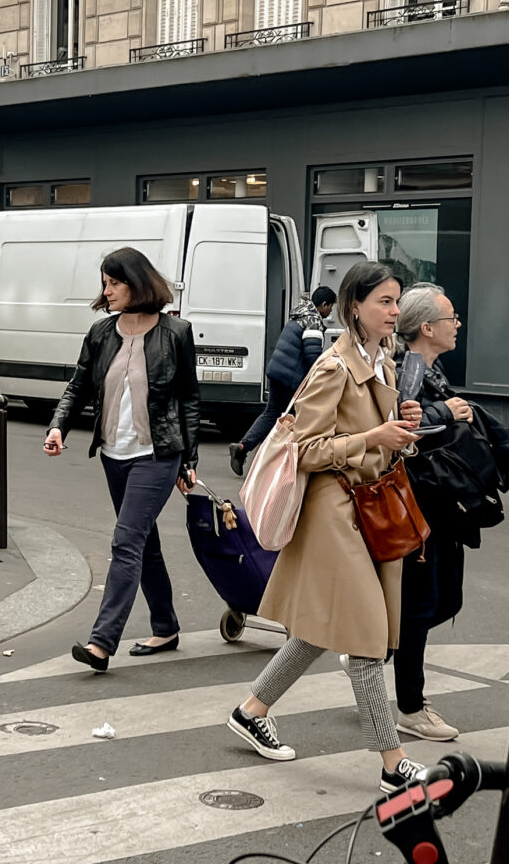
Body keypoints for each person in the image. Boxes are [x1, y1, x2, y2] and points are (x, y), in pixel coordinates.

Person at [226, 261, 429, 794]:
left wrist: (400, 427)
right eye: (385, 300)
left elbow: (375, 433)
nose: (395, 310)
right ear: (354, 304)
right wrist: (372, 439)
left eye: (397, 300)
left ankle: (251, 711)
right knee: (363, 633)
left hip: (364, 506)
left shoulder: (382, 359)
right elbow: (305, 447)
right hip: (331, 509)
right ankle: (393, 764)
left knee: (321, 627)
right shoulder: (333, 366)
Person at [44, 247, 200, 670]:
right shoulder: (100, 333)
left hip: (157, 453)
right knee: (144, 542)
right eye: (105, 284)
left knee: (126, 541)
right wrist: (58, 425)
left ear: (137, 283)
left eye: (114, 283)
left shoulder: (176, 332)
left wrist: (188, 460)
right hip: (114, 454)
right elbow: (77, 387)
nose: (107, 291)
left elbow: (188, 399)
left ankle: (101, 643)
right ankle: (166, 626)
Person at [391, 283, 470, 742]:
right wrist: (450, 411)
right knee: (422, 603)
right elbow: (405, 425)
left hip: (441, 500)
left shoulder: (429, 368)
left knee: (446, 600)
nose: (456, 325)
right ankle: (411, 706)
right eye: (451, 318)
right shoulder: (410, 370)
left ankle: (377, 651)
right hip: (417, 501)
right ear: (427, 328)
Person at [229, 286, 336, 476]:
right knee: (293, 421)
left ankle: (243, 447)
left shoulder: (299, 315)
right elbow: (312, 356)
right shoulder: (313, 321)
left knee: (271, 414)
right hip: (291, 378)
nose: (330, 312)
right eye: (330, 307)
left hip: (277, 372)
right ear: (324, 305)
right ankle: (274, 463)